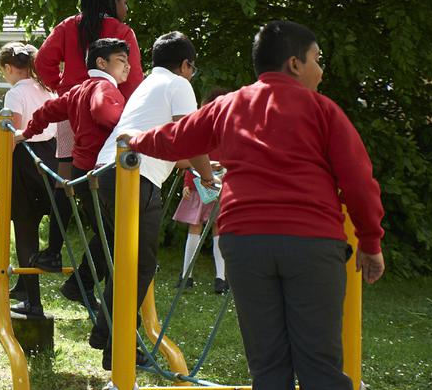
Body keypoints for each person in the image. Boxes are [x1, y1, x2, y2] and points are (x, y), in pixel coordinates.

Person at [122, 20, 385, 389]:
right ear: (295, 64)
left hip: (244, 244)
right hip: (311, 242)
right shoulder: (324, 111)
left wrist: (133, 140)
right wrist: (370, 243)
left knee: (267, 367)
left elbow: (175, 138)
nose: (322, 71)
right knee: (319, 366)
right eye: (317, 60)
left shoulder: (229, 105)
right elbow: (359, 182)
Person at [89, 31, 215, 369]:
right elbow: (188, 139)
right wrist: (207, 176)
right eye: (193, 68)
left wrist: (205, 166)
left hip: (106, 172)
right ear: (186, 65)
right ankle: (113, 340)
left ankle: (109, 337)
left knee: (127, 261)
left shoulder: (146, 86)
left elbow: (174, 150)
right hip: (134, 178)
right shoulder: (179, 85)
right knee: (141, 266)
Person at [35, 0, 144, 304]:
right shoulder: (122, 33)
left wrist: (62, 87)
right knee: (114, 206)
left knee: (67, 184)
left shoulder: (70, 25)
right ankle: (87, 272)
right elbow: (134, 82)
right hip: (109, 123)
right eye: (124, 1)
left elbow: (42, 61)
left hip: (73, 114)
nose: (127, 8)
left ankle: (53, 250)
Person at [16, 38, 132, 292]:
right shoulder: (105, 88)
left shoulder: (80, 89)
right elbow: (103, 112)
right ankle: (81, 285)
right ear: (102, 62)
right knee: (117, 236)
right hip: (99, 173)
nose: (128, 67)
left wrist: (28, 132)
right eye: (121, 61)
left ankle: (81, 284)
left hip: (82, 171)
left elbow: (47, 110)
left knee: (109, 234)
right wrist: (129, 129)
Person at [0, 43, 62, 317]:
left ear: (7, 68)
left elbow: (12, 138)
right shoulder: (48, 88)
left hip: (25, 159)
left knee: (25, 228)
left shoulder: (16, 94)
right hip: (51, 155)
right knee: (49, 217)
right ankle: (23, 286)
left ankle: (34, 303)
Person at [172, 88, 232, 294]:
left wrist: (188, 183)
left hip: (203, 183)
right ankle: (220, 278)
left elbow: (192, 157)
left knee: (197, 228)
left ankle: (188, 276)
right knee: (215, 229)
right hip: (214, 184)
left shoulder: (204, 130)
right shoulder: (229, 131)